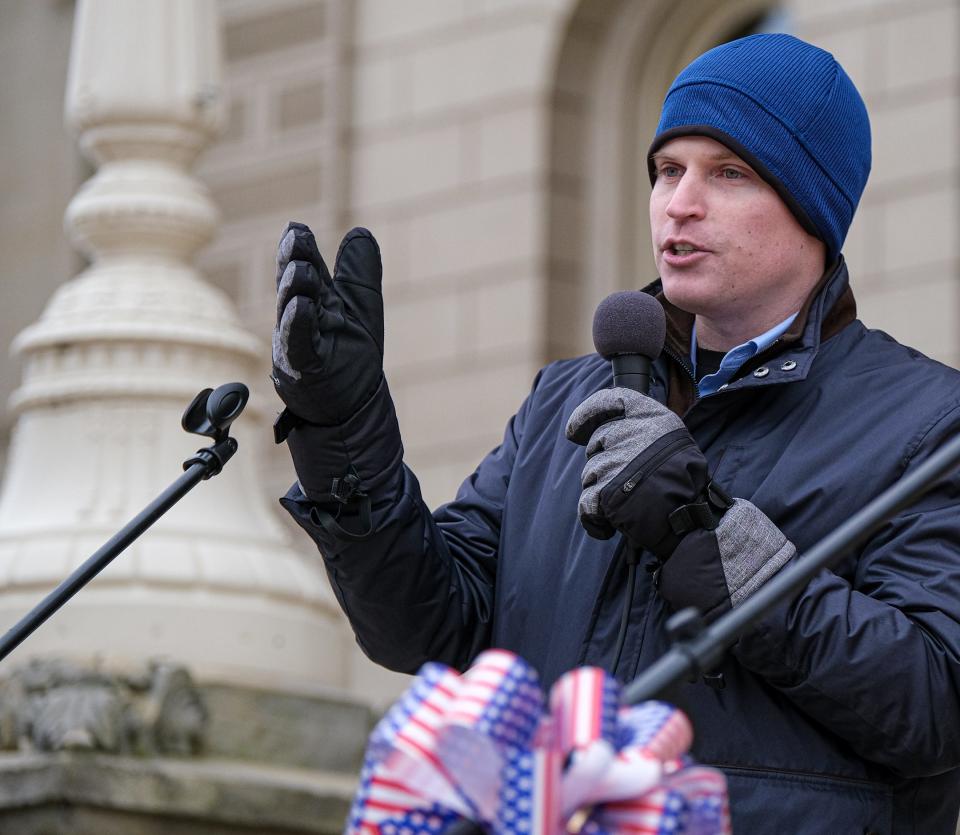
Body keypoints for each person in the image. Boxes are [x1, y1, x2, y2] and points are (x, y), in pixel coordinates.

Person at [271, 33, 960, 833]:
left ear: (813, 204)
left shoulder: (928, 423)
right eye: (668, 171)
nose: (680, 203)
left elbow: (936, 707)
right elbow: (424, 625)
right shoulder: (568, 395)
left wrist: (705, 532)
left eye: (728, 173)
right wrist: (342, 432)